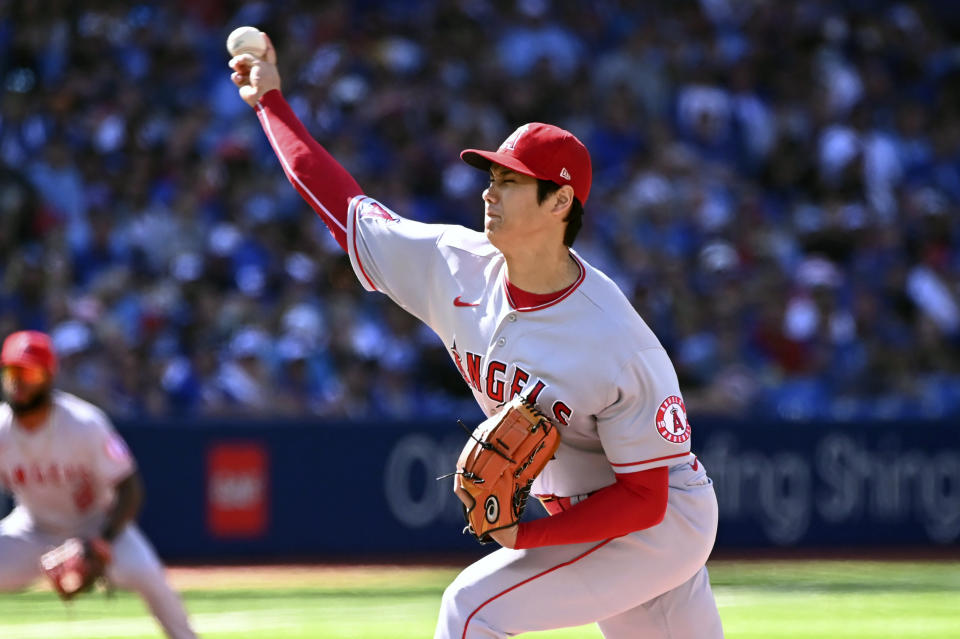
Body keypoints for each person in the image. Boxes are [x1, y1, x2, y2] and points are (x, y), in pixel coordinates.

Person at [229, 34, 724, 639]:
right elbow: (341, 204)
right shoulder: (452, 264)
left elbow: (646, 497)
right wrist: (270, 103)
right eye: (492, 174)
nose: (489, 189)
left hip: (658, 524)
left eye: (511, 180)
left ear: (559, 201)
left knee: (472, 609)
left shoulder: (616, 339)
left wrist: (528, 536)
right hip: (595, 519)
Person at [0, 331, 198, 639]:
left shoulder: (83, 423)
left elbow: (130, 488)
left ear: (49, 377)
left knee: (151, 578)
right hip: (34, 530)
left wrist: (101, 542)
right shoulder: (2, 430)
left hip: (99, 525)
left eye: (30, 372)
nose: (19, 382)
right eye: (12, 372)